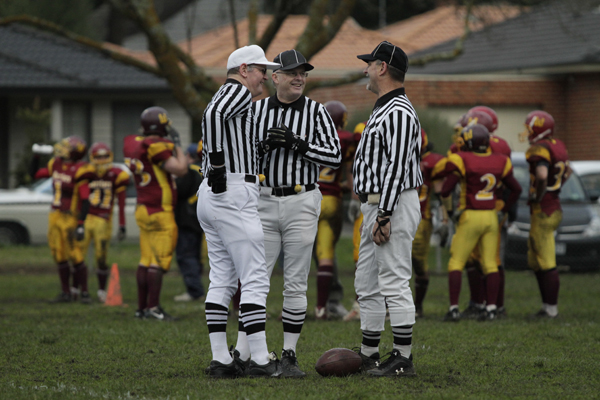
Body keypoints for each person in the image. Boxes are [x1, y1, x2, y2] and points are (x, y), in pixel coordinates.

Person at [251, 49, 341, 377]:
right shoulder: (256, 110)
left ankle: (289, 353)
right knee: (256, 279)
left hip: (302, 199)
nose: (299, 77)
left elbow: (334, 157)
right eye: (291, 72)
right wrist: (261, 148)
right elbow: (242, 157)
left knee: (295, 281)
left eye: (303, 72)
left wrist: (297, 144)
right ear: (275, 77)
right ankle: (251, 353)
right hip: (263, 198)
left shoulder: (317, 112)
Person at [196, 45, 282, 378]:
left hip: (215, 193)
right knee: (255, 276)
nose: (265, 76)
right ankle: (260, 360)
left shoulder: (231, 94)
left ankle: (221, 359)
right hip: (231, 189)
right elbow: (213, 117)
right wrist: (218, 164)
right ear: (244, 69)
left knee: (222, 278)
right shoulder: (237, 91)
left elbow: (218, 120)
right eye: (261, 70)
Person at [353, 41, 422, 377]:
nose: (365, 69)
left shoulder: (397, 111)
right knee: (366, 282)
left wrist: (384, 214)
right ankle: (369, 353)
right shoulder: (384, 107)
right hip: (377, 203)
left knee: (394, 281)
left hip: (391, 202)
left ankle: (403, 358)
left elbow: (395, 168)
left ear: (382, 68)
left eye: (369, 63)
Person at [441, 124, 521, 322]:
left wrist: (450, 211)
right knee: (490, 264)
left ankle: (453, 309)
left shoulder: (461, 158)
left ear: (469, 141)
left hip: (470, 214)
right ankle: (492, 308)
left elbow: (445, 190)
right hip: (491, 216)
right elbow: (517, 189)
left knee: (456, 261)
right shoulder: (501, 160)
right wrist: (503, 208)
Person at [123, 106, 188, 320]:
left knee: (146, 259)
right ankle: (152, 308)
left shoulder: (133, 143)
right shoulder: (157, 145)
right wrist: (178, 145)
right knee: (158, 262)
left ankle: (141, 308)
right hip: (160, 209)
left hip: (142, 207)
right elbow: (179, 169)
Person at [520, 110, 570, 318]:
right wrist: (555, 188)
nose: (527, 132)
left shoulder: (539, 149)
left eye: (530, 127)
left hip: (544, 209)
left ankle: (551, 309)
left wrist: (539, 195)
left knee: (546, 260)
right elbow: (568, 171)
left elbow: (541, 176)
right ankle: (546, 307)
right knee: (536, 258)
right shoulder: (557, 145)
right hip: (554, 205)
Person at [34, 136, 95, 303]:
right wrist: (36, 157)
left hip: (70, 216)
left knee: (74, 254)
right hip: (55, 214)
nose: (63, 149)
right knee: (58, 254)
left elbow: (85, 198)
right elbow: (36, 174)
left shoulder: (82, 169)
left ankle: (84, 293)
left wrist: (81, 223)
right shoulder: (56, 164)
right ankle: (66, 292)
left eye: (67, 147)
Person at [313, 100, 357, 320]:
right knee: (326, 254)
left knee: (298, 255)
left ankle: (293, 305)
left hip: (308, 198)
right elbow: (349, 171)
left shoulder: (310, 136)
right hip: (331, 200)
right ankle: (322, 307)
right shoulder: (348, 139)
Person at [80, 142, 130, 302]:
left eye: (104, 156)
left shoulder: (116, 174)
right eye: (98, 156)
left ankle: (102, 290)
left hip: (103, 219)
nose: (101, 160)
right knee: (79, 255)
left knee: (101, 257)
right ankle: (82, 290)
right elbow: (80, 198)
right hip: (87, 218)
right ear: (92, 158)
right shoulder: (87, 173)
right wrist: (79, 222)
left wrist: (122, 224)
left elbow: (121, 203)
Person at [412, 129, 446, 318]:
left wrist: (444, 216)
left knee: (418, 262)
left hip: (422, 219)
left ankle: (418, 307)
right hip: (397, 216)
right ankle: (388, 307)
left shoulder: (432, 161)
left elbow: (440, 191)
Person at [173, 143, 205, 302]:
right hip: (200, 219)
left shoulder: (190, 171)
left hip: (186, 218)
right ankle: (196, 287)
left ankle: (195, 290)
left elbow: (180, 192)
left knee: (186, 255)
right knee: (195, 255)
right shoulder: (206, 169)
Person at [344, 121, 367, 322]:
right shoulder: (404, 123)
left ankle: (363, 305)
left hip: (372, 202)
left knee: (363, 255)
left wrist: (353, 197)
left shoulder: (362, 128)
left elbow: (353, 165)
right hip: (395, 200)